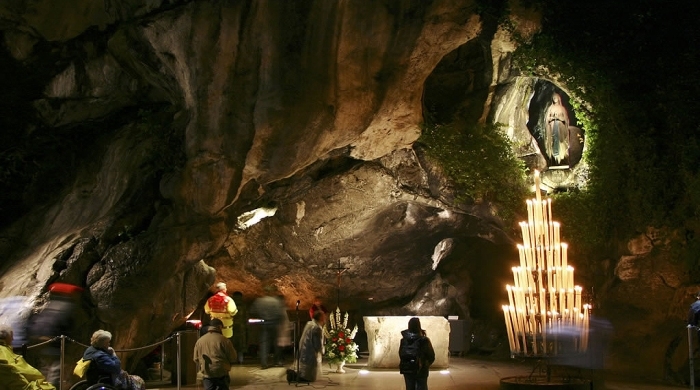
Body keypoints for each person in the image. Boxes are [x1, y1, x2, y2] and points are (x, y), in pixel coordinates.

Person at [26, 282, 81, 387]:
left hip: (42, 344)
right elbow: (66, 326)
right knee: (56, 373)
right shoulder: (67, 307)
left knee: (45, 371)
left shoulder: (49, 306)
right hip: (57, 346)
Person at [0, 324, 56, 390]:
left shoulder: (6, 353)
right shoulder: (4, 359)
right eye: (12, 336)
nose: (13, 339)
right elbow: (20, 384)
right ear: (9, 337)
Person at [193, 319, 237, 390]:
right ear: (219, 327)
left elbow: (195, 358)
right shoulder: (224, 340)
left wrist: (203, 365)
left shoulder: (200, 341)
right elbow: (233, 357)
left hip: (207, 373)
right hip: (221, 372)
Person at [250, 286, 285, 369]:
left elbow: (252, 311)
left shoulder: (259, 301)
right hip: (274, 323)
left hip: (264, 324)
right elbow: (280, 314)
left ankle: (264, 363)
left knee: (264, 344)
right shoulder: (276, 301)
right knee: (277, 344)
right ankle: (278, 361)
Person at [399, 317, 435, 390]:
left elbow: (401, 353)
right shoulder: (424, 340)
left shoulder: (404, 340)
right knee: (422, 386)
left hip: (407, 368)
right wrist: (425, 364)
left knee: (409, 387)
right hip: (421, 369)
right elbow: (431, 356)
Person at [296, 310, 326, 382]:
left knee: (305, 369)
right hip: (310, 352)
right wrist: (321, 351)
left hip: (304, 349)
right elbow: (317, 343)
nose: (325, 318)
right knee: (310, 375)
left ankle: (302, 376)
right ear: (320, 318)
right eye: (323, 316)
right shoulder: (317, 328)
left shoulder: (309, 323)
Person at [544, 92, 570, 164]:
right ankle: (554, 158)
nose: (555, 99)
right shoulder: (551, 108)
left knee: (561, 142)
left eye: (556, 97)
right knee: (554, 140)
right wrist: (552, 118)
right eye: (553, 98)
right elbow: (547, 119)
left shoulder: (562, 108)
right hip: (553, 126)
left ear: (559, 98)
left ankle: (562, 157)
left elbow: (566, 119)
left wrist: (559, 118)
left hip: (560, 127)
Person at [230, 291, 247, 364]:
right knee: (241, 344)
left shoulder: (230, 305)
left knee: (232, 343)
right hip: (241, 327)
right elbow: (246, 317)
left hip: (231, 326)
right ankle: (240, 360)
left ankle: (232, 359)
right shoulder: (243, 305)